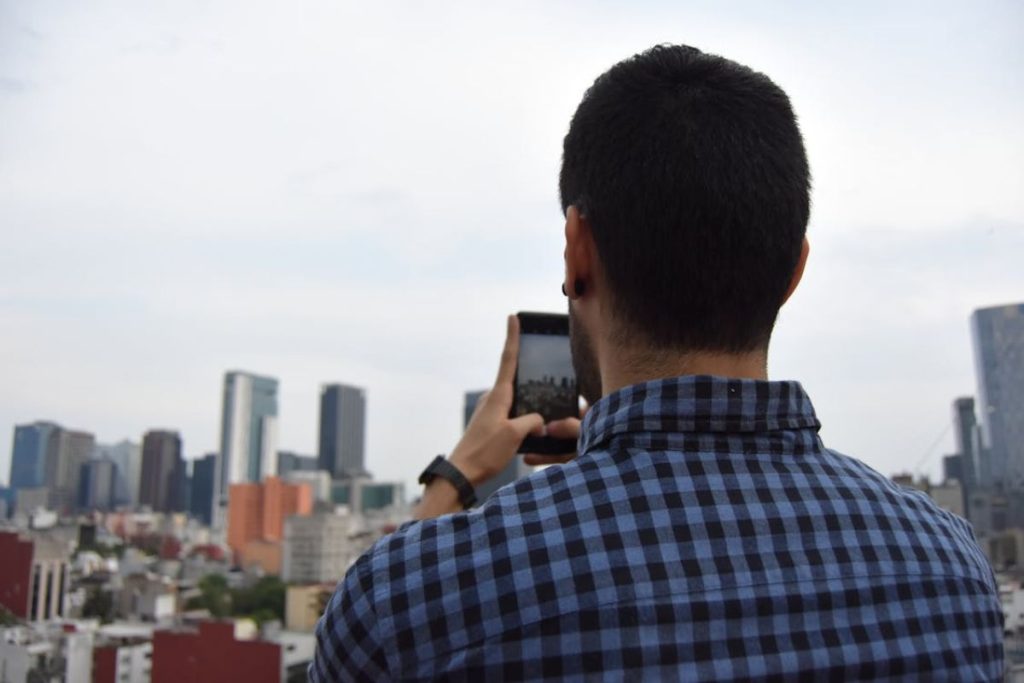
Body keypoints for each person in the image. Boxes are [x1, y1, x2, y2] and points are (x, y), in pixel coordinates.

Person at [311, 45, 1003, 681]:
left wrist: (455, 479)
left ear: (577, 251)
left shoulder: (411, 601)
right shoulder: (952, 567)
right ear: (794, 269)